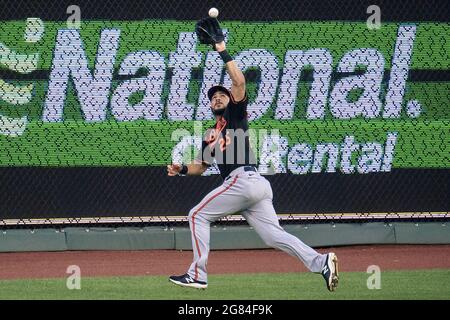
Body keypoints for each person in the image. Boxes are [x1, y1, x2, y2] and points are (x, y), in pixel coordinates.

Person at [166, 18, 339, 291]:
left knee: (197, 215)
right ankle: (321, 262)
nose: (218, 98)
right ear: (209, 105)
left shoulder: (234, 115)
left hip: (244, 181)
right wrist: (182, 169)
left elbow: (239, 81)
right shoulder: (211, 134)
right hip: (252, 188)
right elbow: (201, 166)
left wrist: (221, 49)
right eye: (213, 97)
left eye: (221, 95)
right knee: (274, 237)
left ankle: (198, 275)